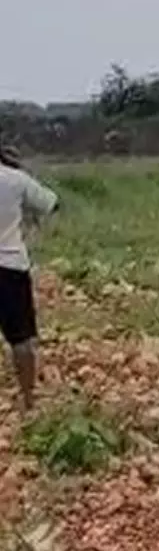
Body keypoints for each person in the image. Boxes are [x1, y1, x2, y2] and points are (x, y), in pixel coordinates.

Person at [0, 146, 59, 411]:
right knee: (21, 339)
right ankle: (28, 400)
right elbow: (51, 203)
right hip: (10, 266)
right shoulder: (15, 178)